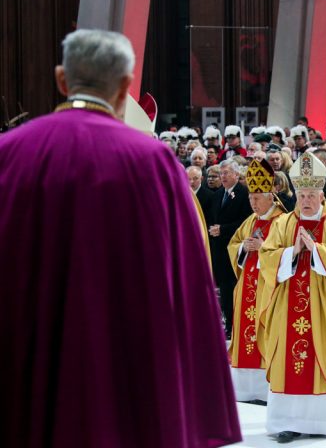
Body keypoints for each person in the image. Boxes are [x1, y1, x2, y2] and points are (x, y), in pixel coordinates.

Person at [0, 29, 240, 446]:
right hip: (125, 354)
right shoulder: (153, 162)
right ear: (125, 85)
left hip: (30, 348)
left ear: (61, 79)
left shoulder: (10, 152)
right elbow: (187, 278)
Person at [258, 152, 326, 442]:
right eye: (301, 195)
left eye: (311, 195)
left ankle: (320, 421)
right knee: (287, 361)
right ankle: (286, 422)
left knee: (321, 359)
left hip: (323, 307)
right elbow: (266, 257)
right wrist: (292, 252)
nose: (306, 200)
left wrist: (317, 250)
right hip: (287, 305)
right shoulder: (283, 223)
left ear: (322, 195)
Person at [225, 158, 286, 404]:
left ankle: (263, 390)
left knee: (264, 331)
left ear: (271, 197)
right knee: (244, 332)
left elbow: (288, 252)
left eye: (257, 198)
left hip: (268, 286)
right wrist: (243, 248)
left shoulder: (283, 221)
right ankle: (245, 390)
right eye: (251, 197)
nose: (253, 202)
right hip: (247, 284)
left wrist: (263, 248)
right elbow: (233, 244)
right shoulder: (250, 220)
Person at [209, 159, 253, 337]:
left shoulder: (243, 193)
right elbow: (212, 217)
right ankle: (228, 322)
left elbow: (246, 221)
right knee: (224, 289)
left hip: (236, 247)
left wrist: (223, 229)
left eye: (226, 173)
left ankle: (235, 324)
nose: (223, 176)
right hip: (219, 249)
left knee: (233, 287)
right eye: (221, 173)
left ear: (236, 174)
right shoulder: (218, 194)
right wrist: (213, 229)